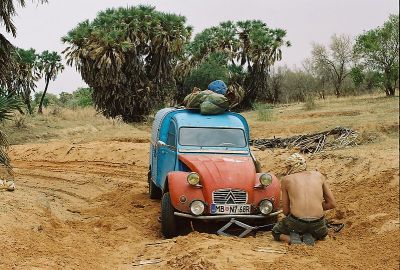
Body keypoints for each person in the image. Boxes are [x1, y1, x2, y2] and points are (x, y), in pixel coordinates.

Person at [272, 153, 336, 245]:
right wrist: (316, 206)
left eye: (287, 168)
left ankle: (292, 239)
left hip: (297, 223)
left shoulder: (286, 180)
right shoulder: (319, 176)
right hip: (317, 224)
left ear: (291, 167)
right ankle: (313, 236)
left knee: (276, 232)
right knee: (321, 231)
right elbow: (332, 204)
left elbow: (286, 211)